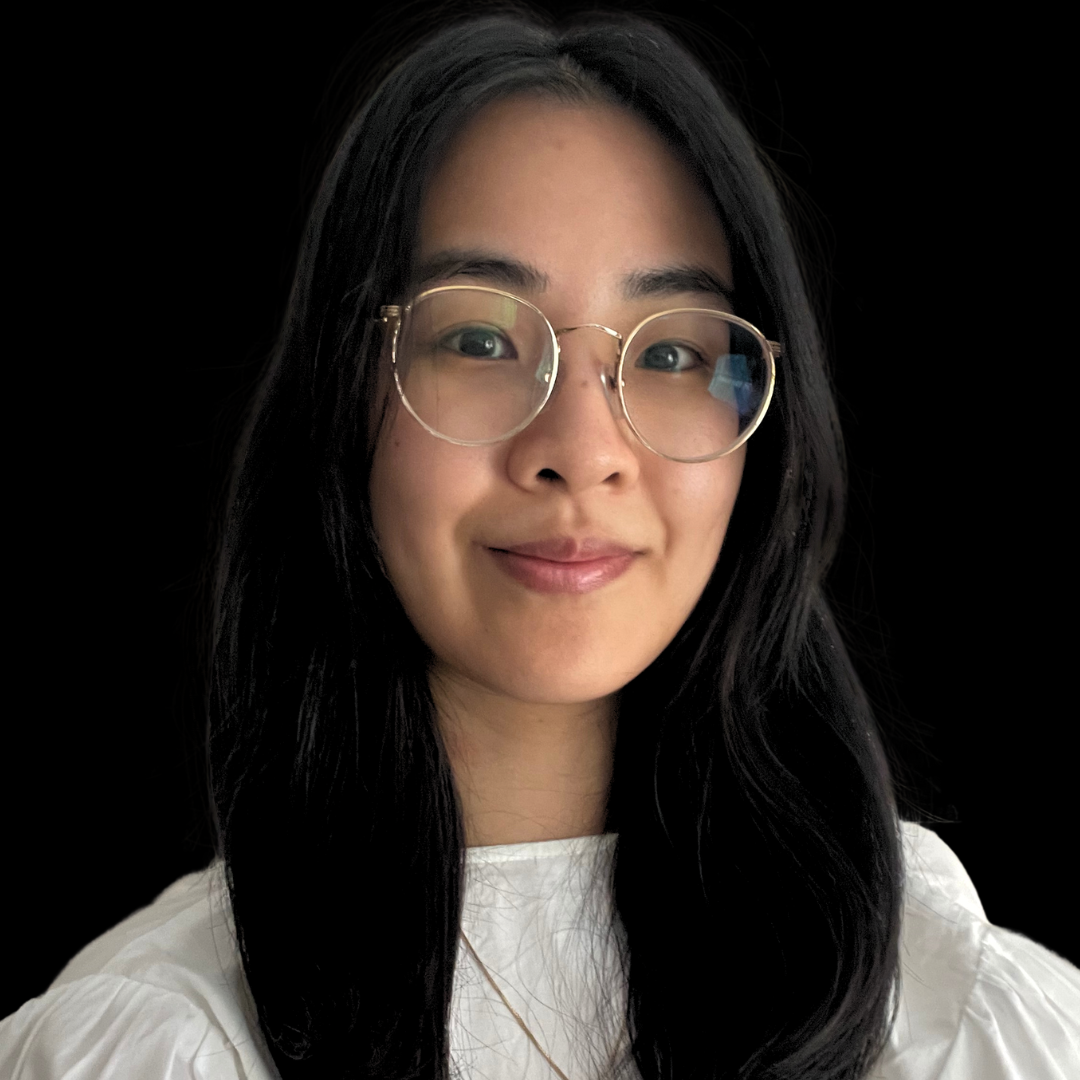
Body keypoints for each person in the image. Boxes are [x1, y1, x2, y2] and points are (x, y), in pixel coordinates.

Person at [3, 6, 1078, 1079]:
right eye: (477, 338)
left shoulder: (957, 1013)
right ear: (342, 399)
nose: (580, 450)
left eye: (671, 355)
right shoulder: (161, 1039)